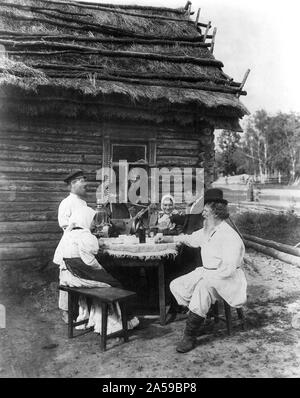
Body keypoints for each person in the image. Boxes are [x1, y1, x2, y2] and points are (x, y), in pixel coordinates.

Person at [155, 188, 247, 353]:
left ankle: (190, 335)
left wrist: (209, 278)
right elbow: (190, 238)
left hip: (227, 278)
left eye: (205, 211)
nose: (202, 215)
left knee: (202, 289)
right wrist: (167, 237)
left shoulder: (229, 235)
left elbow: (229, 268)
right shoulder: (208, 230)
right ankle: (200, 316)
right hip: (208, 272)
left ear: (216, 213)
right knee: (177, 284)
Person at [54, 206, 139, 333]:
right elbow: (90, 262)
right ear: (86, 219)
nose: (94, 223)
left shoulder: (69, 234)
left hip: (67, 275)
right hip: (78, 274)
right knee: (115, 283)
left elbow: (61, 258)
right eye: (93, 220)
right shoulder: (85, 235)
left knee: (109, 277)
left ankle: (99, 317)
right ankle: (122, 321)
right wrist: (102, 271)